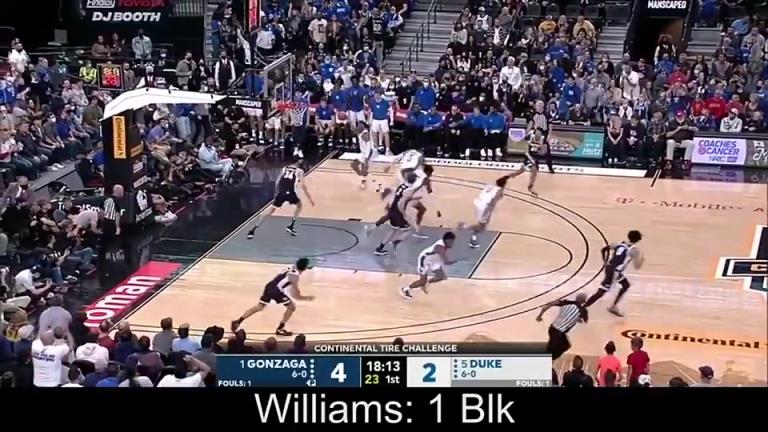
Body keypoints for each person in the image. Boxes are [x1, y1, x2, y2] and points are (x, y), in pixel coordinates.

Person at [230, 257, 315, 337]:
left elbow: (297, 267)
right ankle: (280, 329)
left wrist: (306, 266)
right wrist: (306, 298)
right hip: (276, 291)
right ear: (304, 268)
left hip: (269, 286)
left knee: (260, 306)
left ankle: (238, 321)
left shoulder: (292, 267)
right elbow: (296, 295)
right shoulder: (295, 277)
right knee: (292, 307)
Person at [246, 159, 315, 238]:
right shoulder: (299, 171)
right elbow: (303, 186)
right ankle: (291, 225)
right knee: (299, 205)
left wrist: (276, 193)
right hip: (291, 193)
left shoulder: (284, 168)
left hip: (281, 192)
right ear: (299, 161)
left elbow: (277, 181)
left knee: (271, 210)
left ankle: (253, 229)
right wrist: (310, 199)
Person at [584, 230, 644, 316]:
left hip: (611, 268)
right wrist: (642, 260)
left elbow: (604, 249)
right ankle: (582, 308)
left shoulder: (620, 243)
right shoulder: (634, 250)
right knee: (602, 291)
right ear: (638, 239)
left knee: (626, 285)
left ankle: (614, 306)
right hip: (615, 272)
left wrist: (605, 261)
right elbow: (637, 266)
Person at [463, 174, 519, 248]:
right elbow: (492, 201)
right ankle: (465, 227)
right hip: (485, 207)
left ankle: (473, 239)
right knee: (482, 227)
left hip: (478, 202)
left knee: (481, 224)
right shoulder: (499, 192)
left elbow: (499, 182)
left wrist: (507, 177)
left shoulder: (490, 185)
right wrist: (490, 210)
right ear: (504, 184)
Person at [373, 174, 421, 256]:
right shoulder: (409, 191)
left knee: (393, 230)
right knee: (408, 230)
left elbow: (400, 197)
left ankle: (379, 249)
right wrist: (404, 214)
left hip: (392, 210)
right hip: (398, 212)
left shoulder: (402, 185)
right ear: (414, 181)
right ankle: (395, 241)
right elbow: (400, 203)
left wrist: (411, 198)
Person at [399, 232, 457, 300]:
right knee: (422, 281)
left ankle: (425, 284)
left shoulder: (445, 244)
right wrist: (454, 261)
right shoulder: (439, 247)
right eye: (451, 241)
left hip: (435, 260)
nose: (452, 243)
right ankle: (405, 289)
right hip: (425, 260)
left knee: (441, 277)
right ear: (447, 240)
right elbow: (446, 261)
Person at [535, 293, 588, 360]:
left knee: (566, 345)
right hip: (558, 332)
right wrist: (576, 319)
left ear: (576, 298)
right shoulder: (582, 310)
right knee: (555, 348)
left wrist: (540, 315)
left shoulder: (566, 302)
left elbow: (549, 304)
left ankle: (548, 359)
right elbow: (584, 321)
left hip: (553, 329)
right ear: (584, 301)